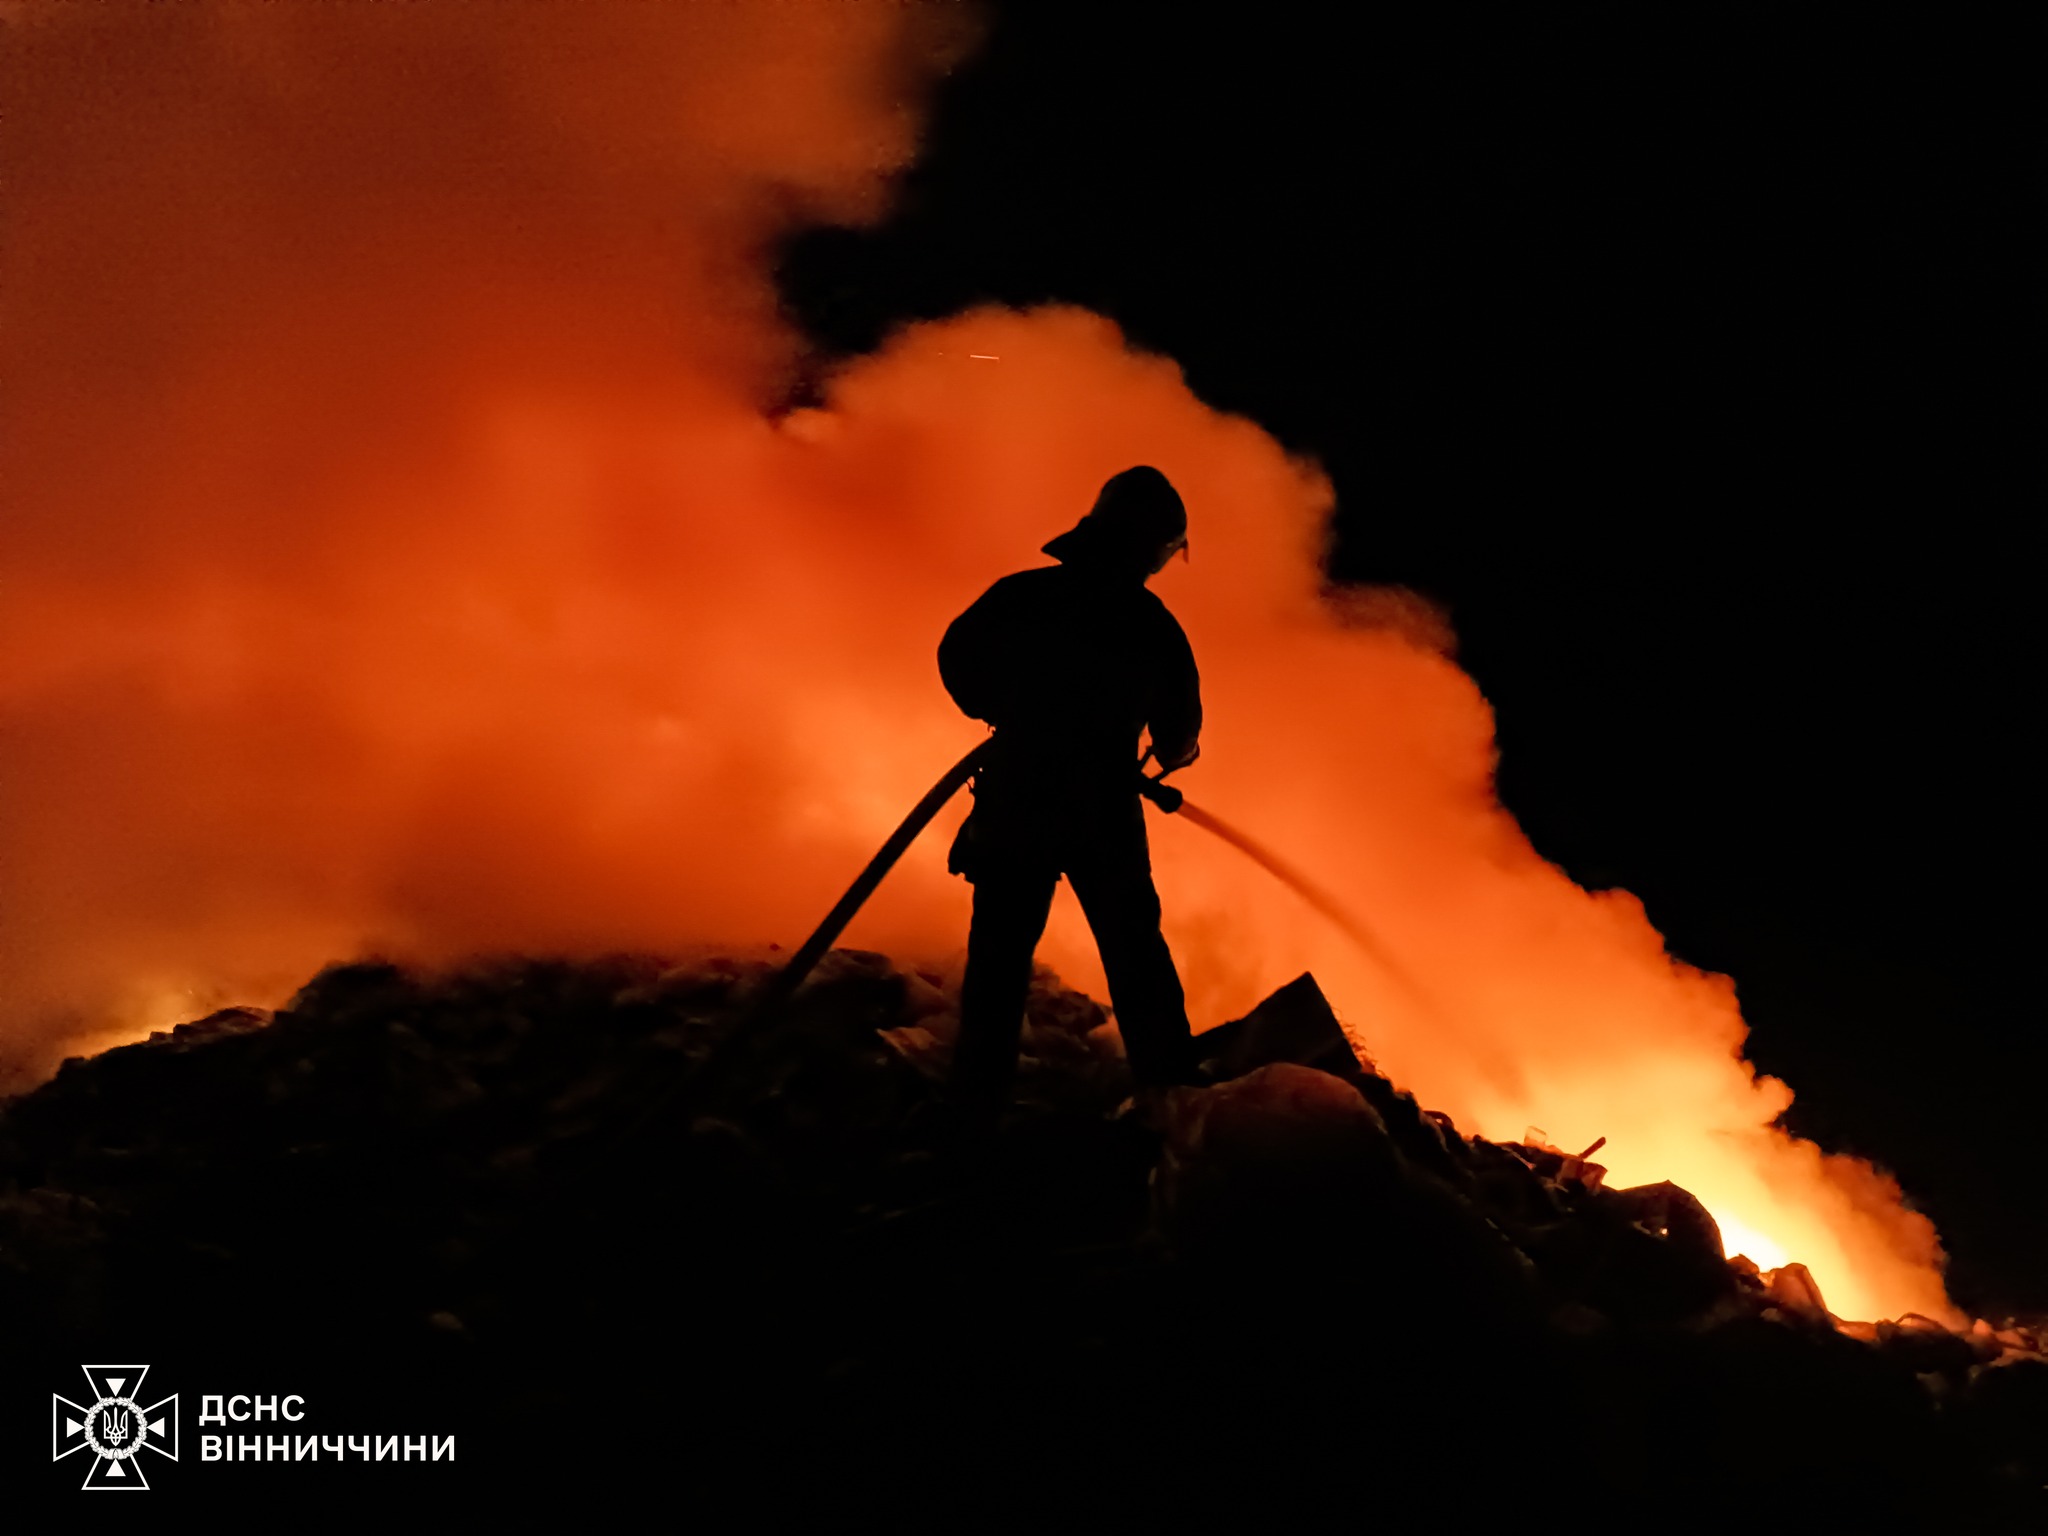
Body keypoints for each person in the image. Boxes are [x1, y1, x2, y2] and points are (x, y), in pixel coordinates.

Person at [937, 465, 1202, 1122]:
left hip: (1016, 795)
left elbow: (957, 660)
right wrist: (1171, 755)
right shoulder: (1151, 625)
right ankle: (1174, 1107)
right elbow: (1178, 733)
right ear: (1155, 549)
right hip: (1102, 809)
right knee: (1136, 953)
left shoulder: (1021, 597)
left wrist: (1003, 713)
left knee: (998, 958)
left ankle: (976, 1112)